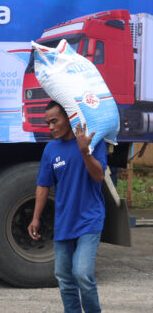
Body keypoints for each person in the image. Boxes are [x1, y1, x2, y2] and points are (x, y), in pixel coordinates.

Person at [28, 100, 106, 313]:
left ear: (69, 118)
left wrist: (85, 151)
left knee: (82, 274)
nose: (51, 127)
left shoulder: (94, 142)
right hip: (64, 222)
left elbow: (99, 176)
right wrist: (35, 217)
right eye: (48, 123)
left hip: (90, 220)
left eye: (54, 121)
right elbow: (43, 185)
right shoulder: (51, 149)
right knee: (64, 278)